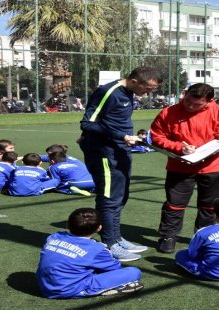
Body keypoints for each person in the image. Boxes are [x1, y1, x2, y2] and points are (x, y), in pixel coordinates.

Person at [79, 67, 161, 261]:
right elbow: (88, 123)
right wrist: (121, 136)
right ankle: (109, 244)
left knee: (120, 196)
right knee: (109, 197)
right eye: (147, 88)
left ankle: (116, 237)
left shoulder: (129, 92)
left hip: (121, 150)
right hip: (105, 153)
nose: (148, 93)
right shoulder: (108, 91)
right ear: (134, 81)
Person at [150, 83, 219, 254]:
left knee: (209, 206)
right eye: (187, 101)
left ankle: (203, 237)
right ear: (185, 94)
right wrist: (179, 148)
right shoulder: (168, 112)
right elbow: (157, 136)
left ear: (209, 101)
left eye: (197, 104)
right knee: (174, 204)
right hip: (180, 166)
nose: (190, 106)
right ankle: (168, 237)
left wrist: (209, 150)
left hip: (214, 166)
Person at [36, 208, 143, 299]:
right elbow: (115, 268)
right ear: (99, 228)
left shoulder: (54, 237)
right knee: (134, 272)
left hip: (44, 285)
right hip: (67, 290)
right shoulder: (96, 249)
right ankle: (100, 289)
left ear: (68, 225)